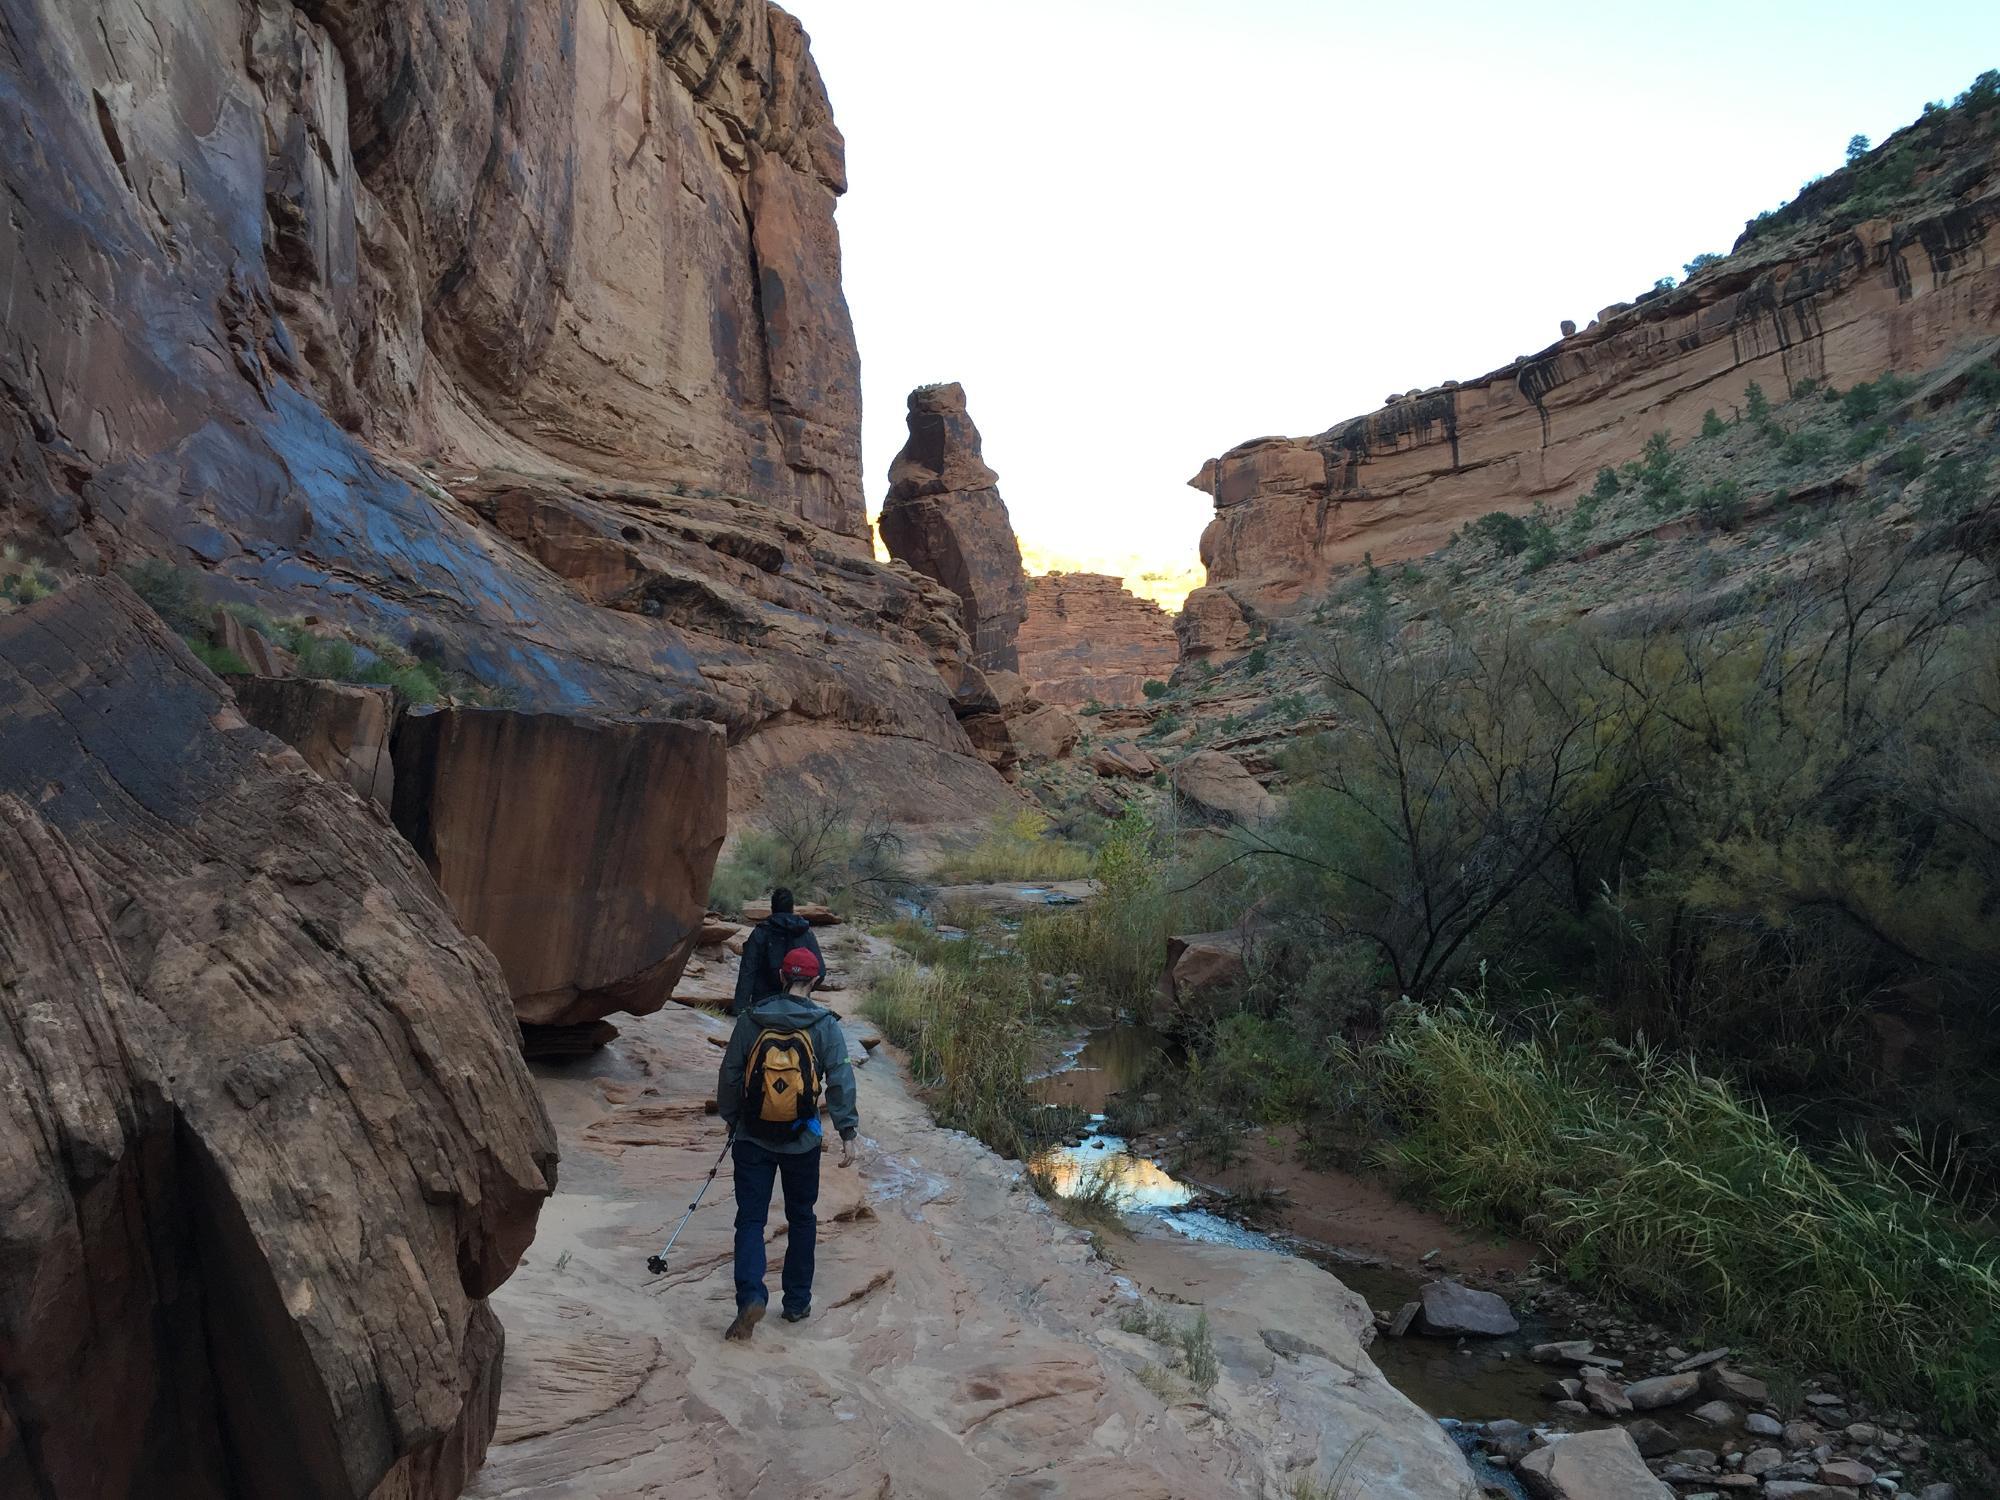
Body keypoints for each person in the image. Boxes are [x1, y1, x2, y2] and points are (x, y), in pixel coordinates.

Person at [715, 946, 858, 1340]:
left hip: (752, 1136)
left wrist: (733, 1120)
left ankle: (750, 1297)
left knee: (750, 1219)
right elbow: (841, 1080)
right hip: (803, 1139)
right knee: (802, 1218)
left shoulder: (751, 1019)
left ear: (781, 977)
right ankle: (795, 1303)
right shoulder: (825, 1024)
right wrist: (847, 1133)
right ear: (815, 981)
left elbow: (729, 1074)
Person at [731, 887, 824, 1015]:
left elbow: (747, 972)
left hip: (764, 1005)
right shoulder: (805, 932)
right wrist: (803, 989)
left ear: (772, 908)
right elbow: (821, 972)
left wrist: (739, 1010)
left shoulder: (761, 932)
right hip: (798, 1006)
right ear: (792, 908)